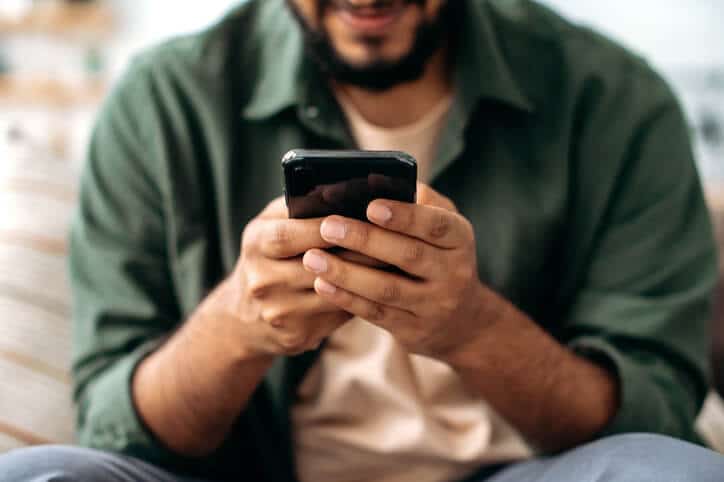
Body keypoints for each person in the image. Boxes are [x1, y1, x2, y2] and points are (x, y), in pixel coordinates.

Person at [1, 0, 723, 481]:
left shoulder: (615, 100)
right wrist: (237, 328)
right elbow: (109, 424)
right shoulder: (165, 102)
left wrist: (473, 328)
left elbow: (657, 410)